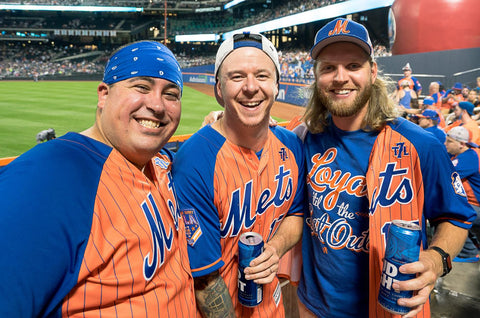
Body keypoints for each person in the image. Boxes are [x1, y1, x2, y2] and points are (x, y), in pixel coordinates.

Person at [292, 18, 475, 318]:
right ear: (316, 77)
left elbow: (456, 217)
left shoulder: (420, 144)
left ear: (373, 72)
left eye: (353, 66)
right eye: (328, 68)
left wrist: (436, 259)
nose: (340, 77)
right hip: (314, 307)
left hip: (393, 310)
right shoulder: (302, 137)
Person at [0, 41, 197, 317]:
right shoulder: (43, 180)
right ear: (103, 95)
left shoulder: (161, 162)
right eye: (141, 87)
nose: (157, 105)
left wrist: (225, 126)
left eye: (171, 94)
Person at [172, 32, 306, 318]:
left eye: (261, 75)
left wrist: (276, 247)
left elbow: (296, 213)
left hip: (274, 307)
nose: (250, 87)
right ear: (219, 90)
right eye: (236, 77)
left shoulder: (292, 146)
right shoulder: (196, 160)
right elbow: (204, 281)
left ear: (277, 86)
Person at [444, 126, 480, 263]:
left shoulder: (468, 158)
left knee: (453, 213)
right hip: (472, 203)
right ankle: (473, 245)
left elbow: (446, 177)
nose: (445, 144)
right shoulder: (463, 154)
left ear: (462, 144)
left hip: (476, 206)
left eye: (449, 141)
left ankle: (469, 252)